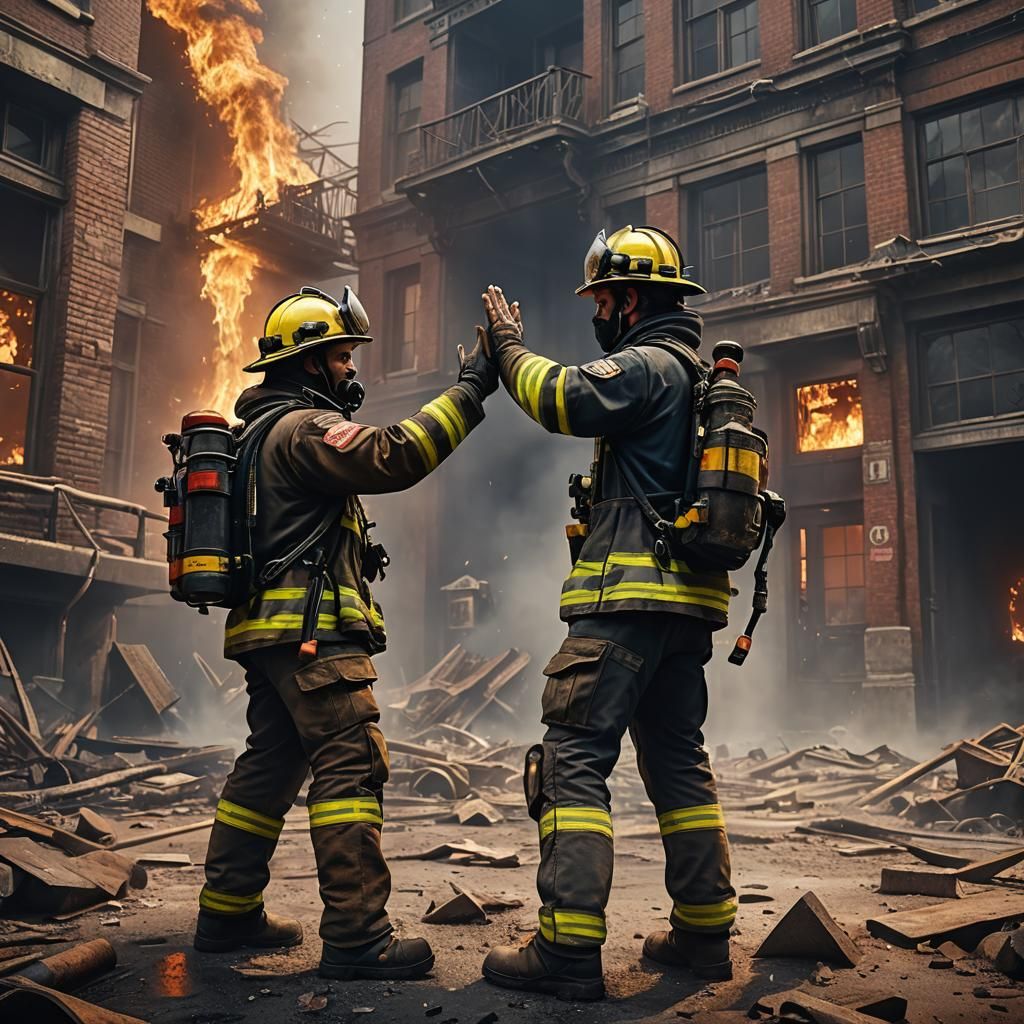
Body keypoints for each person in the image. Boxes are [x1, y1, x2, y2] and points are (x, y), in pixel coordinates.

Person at [193, 285, 497, 981]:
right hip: (312, 638)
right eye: (341, 357)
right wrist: (470, 390)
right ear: (309, 364)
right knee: (351, 763)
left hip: (269, 636)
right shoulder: (304, 428)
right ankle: (359, 938)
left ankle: (228, 912)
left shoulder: (256, 435)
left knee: (270, 765)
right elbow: (394, 454)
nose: (351, 369)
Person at [479, 227, 737, 1001]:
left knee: (573, 760)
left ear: (629, 300)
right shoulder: (696, 375)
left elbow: (562, 398)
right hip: (685, 614)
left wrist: (506, 348)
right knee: (677, 760)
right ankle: (704, 936)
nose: (596, 315)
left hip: (625, 608)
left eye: (601, 302)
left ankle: (566, 951)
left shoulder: (648, 364)